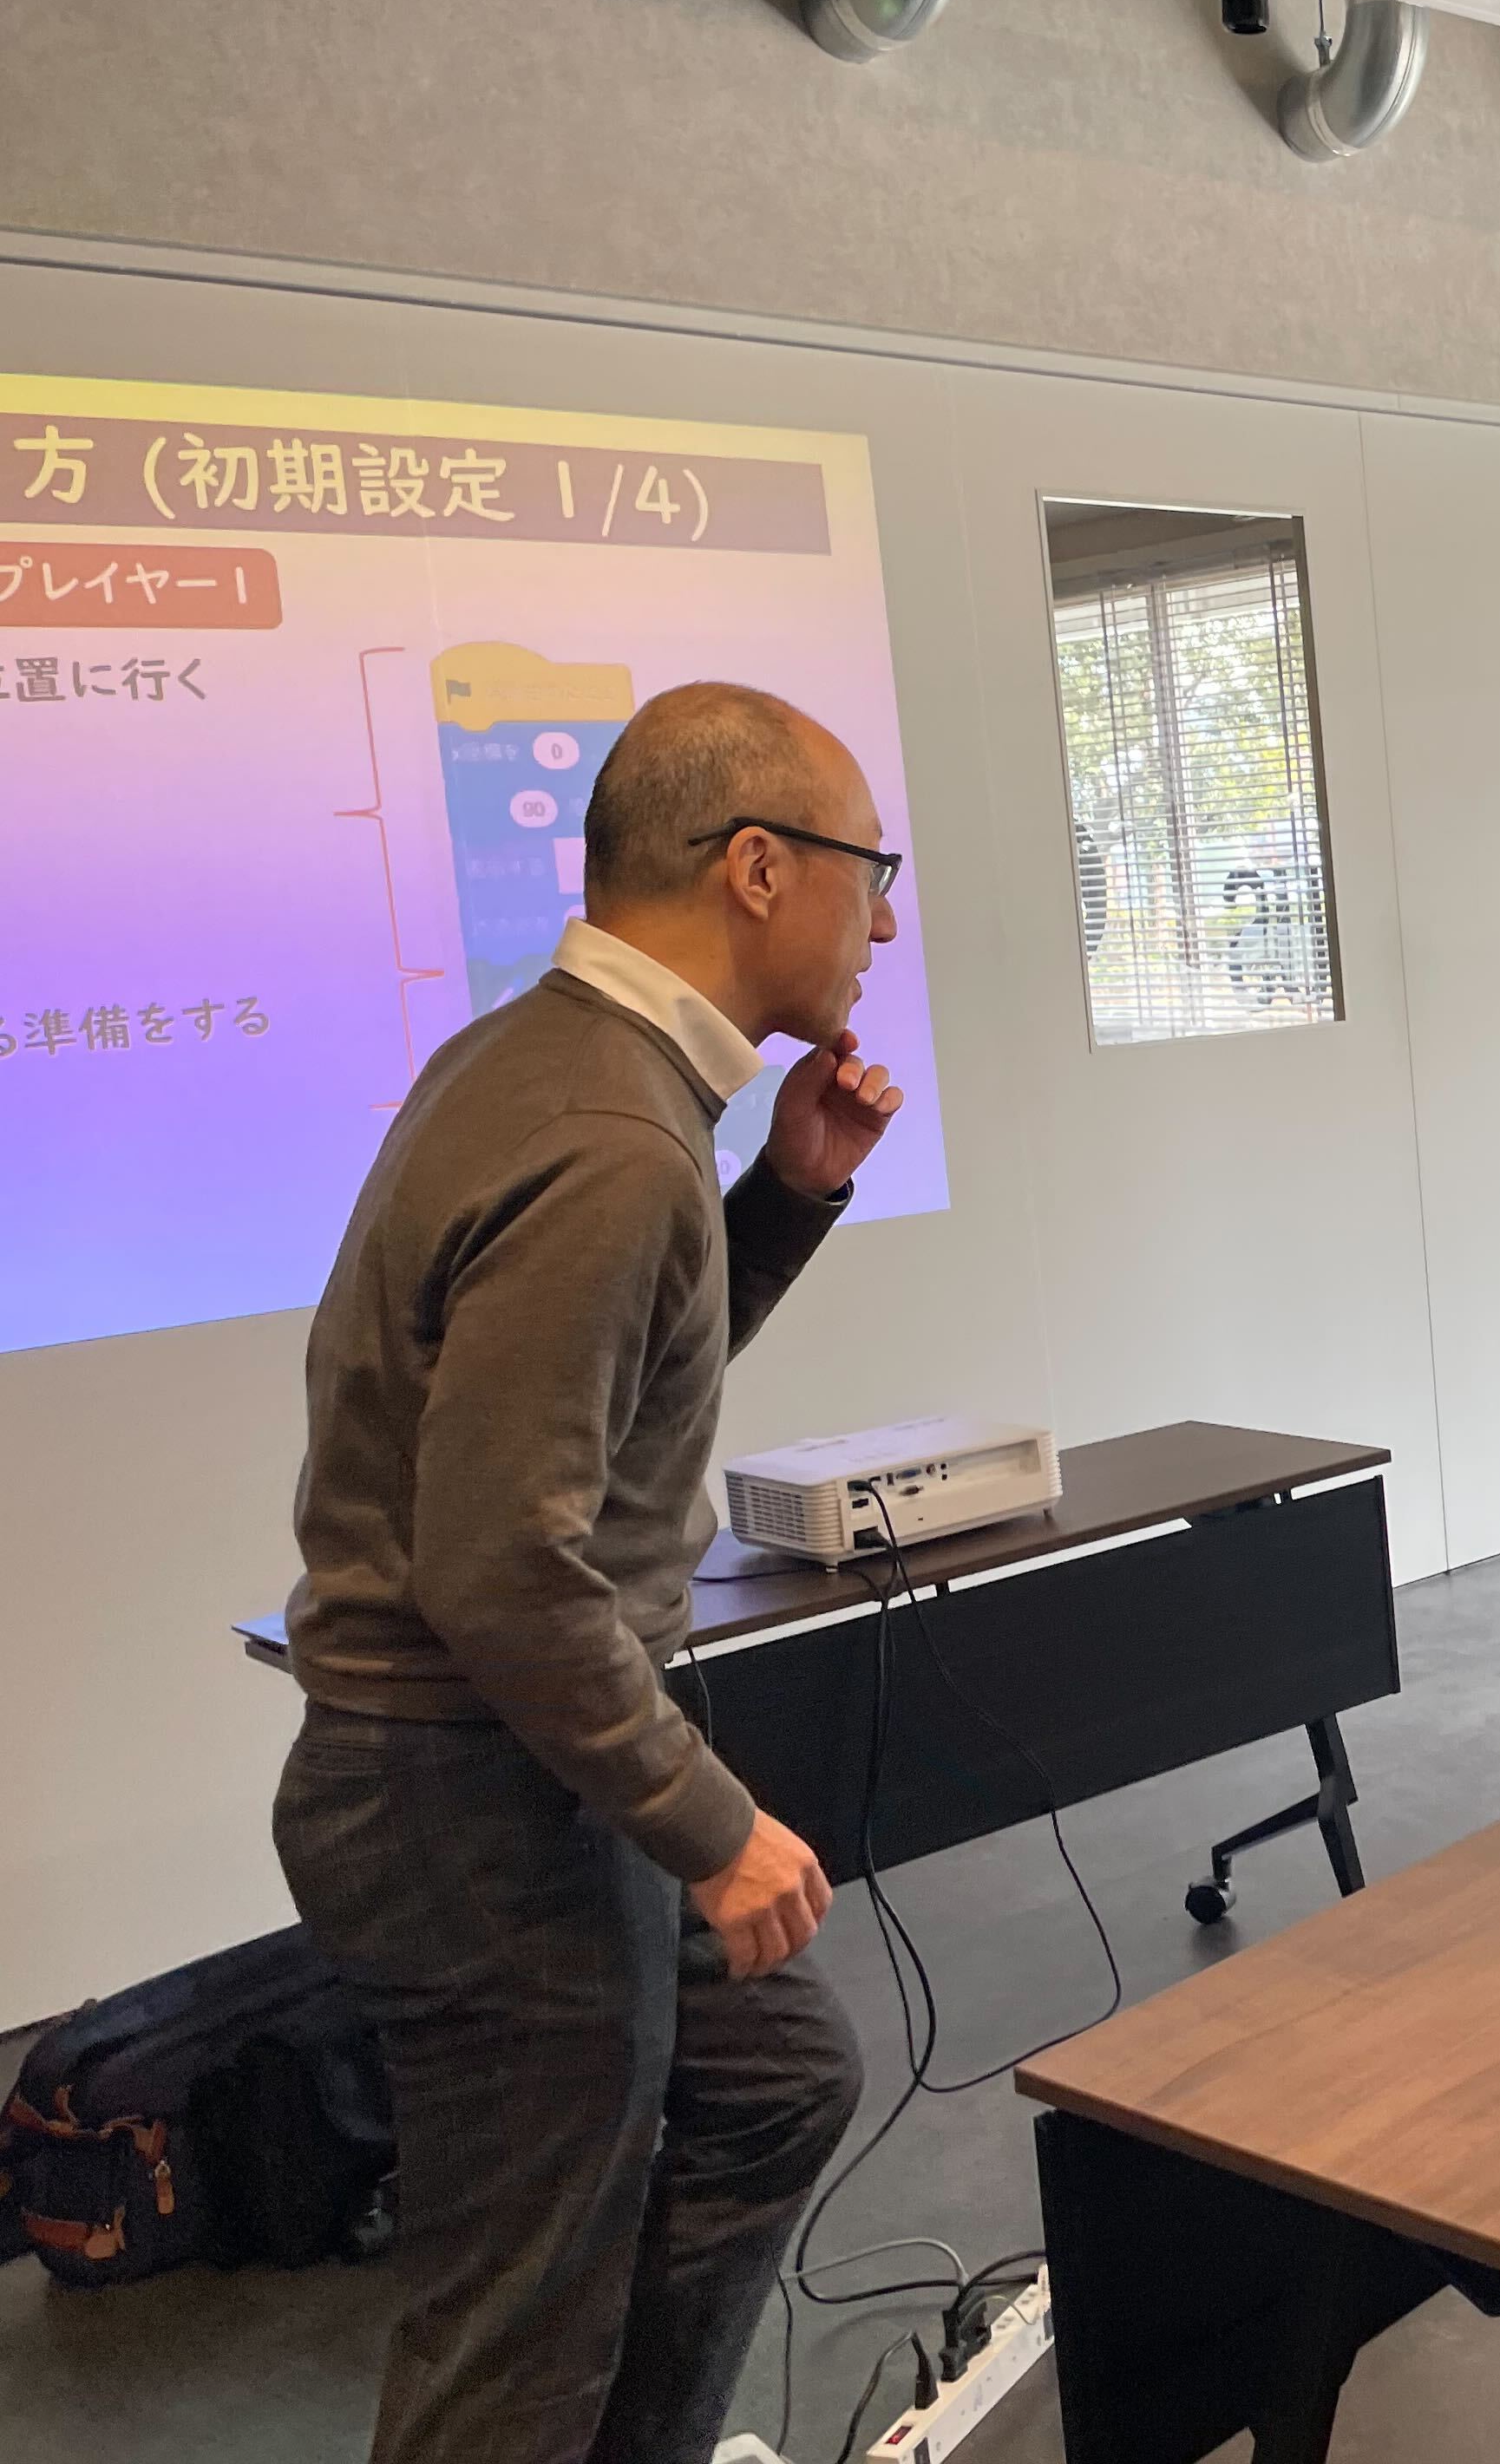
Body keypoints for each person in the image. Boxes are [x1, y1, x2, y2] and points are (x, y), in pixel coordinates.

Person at [275, 683, 907, 2464]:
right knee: (516, 2330)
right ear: (758, 867)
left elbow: (619, 1400)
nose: (882, 923)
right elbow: (499, 1565)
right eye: (871, 872)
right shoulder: (615, 1137)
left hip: (504, 1763)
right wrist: (708, 1820)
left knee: (778, 2084)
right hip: (471, 1796)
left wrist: (784, 1195)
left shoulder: (550, 1063)